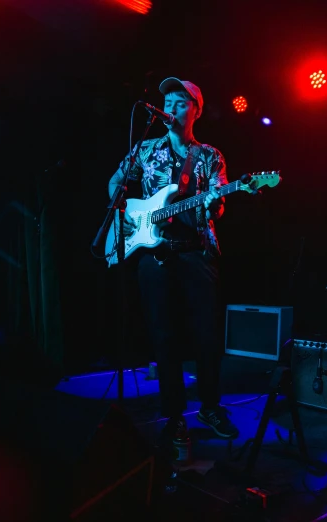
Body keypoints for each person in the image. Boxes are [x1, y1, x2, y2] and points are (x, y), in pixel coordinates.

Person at [107, 77, 239, 443]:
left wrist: (216, 201)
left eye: (179, 102)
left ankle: (210, 407)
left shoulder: (210, 155)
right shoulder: (146, 149)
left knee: (205, 336)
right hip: (155, 254)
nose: (171, 107)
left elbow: (220, 204)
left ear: (196, 109)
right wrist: (128, 214)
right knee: (163, 338)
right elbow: (118, 179)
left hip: (196, 251)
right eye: (167, 101)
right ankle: (175, 416)